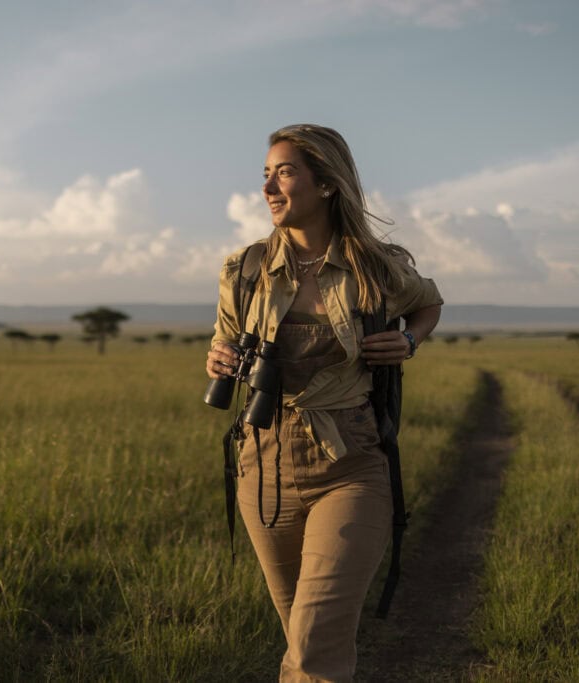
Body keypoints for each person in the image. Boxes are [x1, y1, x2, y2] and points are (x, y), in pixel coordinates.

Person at [206, 124, 442, 682]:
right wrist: (218, 359)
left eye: (284, 172)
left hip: (349, 463)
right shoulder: (244, 269)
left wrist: (408, 341)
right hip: (262, 464)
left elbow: (428, 302)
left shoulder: (375, 267)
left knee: (314, 647)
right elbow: (223, 340)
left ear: (328, 183)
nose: (268, 187)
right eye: (266, 174)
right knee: (303, 639)